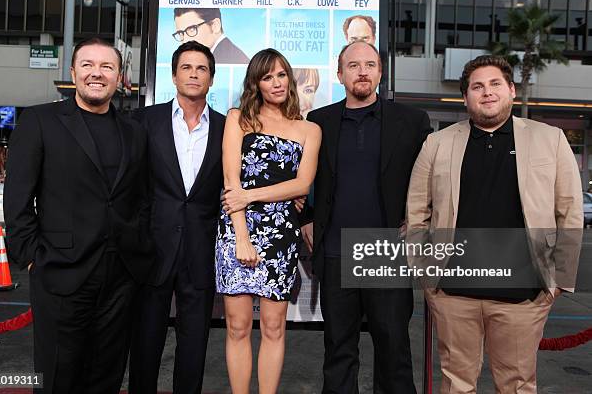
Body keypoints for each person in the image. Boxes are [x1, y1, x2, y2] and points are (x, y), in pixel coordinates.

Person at [406, 55, 583, 393]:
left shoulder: (551, 139)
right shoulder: (438, 143)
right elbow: (417, 212)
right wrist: (425, 273)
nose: (486, 92)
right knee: (456, 384)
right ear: (466, 97)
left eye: (494, 84)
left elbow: (570, 212)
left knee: (516, 385)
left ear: (511, 90)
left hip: (524, 294)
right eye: (477, 87)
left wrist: (560, 280)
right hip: (453, 292)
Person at [3, 37, 151, 393]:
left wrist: (138, 250)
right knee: (57, 377)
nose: (96, 74)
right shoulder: (40, 121)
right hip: (60, 272)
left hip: (120, 278)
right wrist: (32, 257)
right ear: (73, 72)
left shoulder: (135, 130)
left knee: (107, 376)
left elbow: (141, 198)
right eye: (87, 65)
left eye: (106, 67)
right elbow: (18, 198)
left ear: (119, 77)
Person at [301, 41, 432, 393]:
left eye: (370, 64)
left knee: (393, 350)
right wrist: (306, 218)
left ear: (380, 72)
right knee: (338, 350)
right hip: (334, 250)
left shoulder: (412, 121)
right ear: (339, 73)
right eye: (354, 64)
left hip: (385, 250)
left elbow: (434, 176)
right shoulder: (319, 121)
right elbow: (303, 179)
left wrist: (419, 218)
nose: (362, 71)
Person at [216, 48, 321, 393]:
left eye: (281, 75)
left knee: (275, 327)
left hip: (281, 235)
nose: (276, 83)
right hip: (237, 229)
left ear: (290, 79)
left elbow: (303, 184)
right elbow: (232, 182)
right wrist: (242, 237)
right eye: (267, 77)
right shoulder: (238, 118)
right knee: (238, 326)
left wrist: (252, 194)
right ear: (255, 84)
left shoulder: (309, 130)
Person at [128, 41, 225, 394]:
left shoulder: (228, 129)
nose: (194, 74)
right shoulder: (144, 120)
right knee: (145, 341)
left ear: (211, 79)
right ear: (173, 75)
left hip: (202, 249)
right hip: (152, 248)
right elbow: (132, 185)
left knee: (194, 344)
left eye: (201, 69)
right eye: (187, 67)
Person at [173, 7, 249, 64]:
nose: (185, 40)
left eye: (192, 29)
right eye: (180, 33)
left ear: (215, 26)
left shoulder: (229, 61)